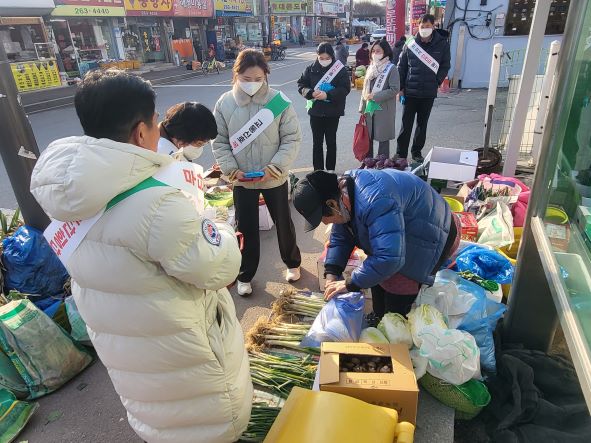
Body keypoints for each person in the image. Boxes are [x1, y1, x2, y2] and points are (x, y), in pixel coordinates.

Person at [30, 70, 252, 443]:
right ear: (140, 131)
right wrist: (222, 231)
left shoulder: (72, 195)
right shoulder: (157, 204)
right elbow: (220, 267)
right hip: (186, 366)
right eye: (154, 121)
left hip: (133, 366)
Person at [292, 169, 459, 318]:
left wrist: (350, 283)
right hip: (404, 232)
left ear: (331, 204)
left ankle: (394, 332)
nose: (325, 224)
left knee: (396, 297)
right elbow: (342, 236)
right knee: (377, 277)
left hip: (432, 235)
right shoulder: (343, 194)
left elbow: (390, 258)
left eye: (322, 218)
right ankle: (379, 316)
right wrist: (331, 273)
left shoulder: (375, 201)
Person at [213, 49, 302, 296]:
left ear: (265, 76)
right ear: (236, 76)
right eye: (246, 78)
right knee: (246, 227)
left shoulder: (278, 101)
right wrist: (232, 171)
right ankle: (245, 275)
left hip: (274, 176)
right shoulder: (224, 103)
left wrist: (274, 168)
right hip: (241, 180)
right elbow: (219, 141)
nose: (252, 84)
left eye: (257, 79)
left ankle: (293, 263)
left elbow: (291, 138)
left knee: (283, 222)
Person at [397, 14, 451, 163]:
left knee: (422, 124)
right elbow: (401, 67)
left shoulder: (442, 44)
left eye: (428, 26)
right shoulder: (410, 43)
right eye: (422, 26)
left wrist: (436, 81)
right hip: (410, 91)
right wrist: (400, 88)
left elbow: (445, 65)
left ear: (433, 26)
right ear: (417, 27)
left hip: (428, 92)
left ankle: (416, 152)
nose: (425, 29)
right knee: (405, 125)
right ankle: (401, 153)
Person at [297, 43, 351, 171]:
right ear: (317, 56)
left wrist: (328, 95)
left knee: (331, 141)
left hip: (333, 111)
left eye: (327, 58)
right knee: (317, 143)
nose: (324, 61)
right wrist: (310, 93)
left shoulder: (339, 69)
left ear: (332, 56)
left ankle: (330, 170)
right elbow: (301, 85)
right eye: (321, 58)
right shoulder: (310, 68)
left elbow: (345, 88)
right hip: (315, 111)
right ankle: (318, 170)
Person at [359, 39, 400, 158]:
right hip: (369, 108)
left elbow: (394, 89)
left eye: (378, 51)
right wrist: (362, 107)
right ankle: (368, 163)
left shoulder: (391, 69)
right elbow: (365, 89)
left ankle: (382, 164)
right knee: (368, 137)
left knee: (383, 138)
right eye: (373, 51)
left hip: (384, 109)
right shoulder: (371, 67)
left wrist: (376, 96)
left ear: (385, 52)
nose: (375, 53)